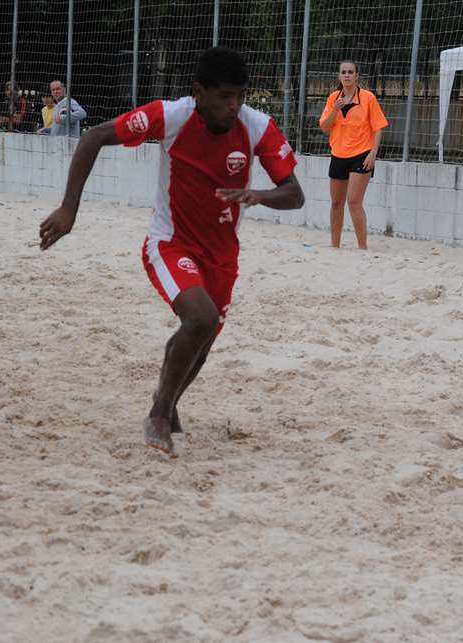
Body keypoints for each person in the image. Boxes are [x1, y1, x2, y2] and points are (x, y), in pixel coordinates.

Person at [38, 47, 305, 456]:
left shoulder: (257, 126)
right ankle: (159, 415)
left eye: (240, 96)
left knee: (202, 341)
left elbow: (295, 195)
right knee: (201, 319)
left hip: (223, 256)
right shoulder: (172, 116)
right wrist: (69, 208)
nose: (234, 106)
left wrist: (259, 194)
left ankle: (169, 400)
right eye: (224, 96)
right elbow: (94, 136)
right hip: (169, 243)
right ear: (198, 92)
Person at [319, 60, 388, 250]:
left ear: (357, 76)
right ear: (339, 76)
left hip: (361, 153)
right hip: (338, 154)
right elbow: (324, 127)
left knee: (354, 201)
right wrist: (335, 110)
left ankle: (362, 248)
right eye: (344, 72)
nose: (347, 75)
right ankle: (335, 246)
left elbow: (378, 127)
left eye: (350, 72)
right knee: (336, 203)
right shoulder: (333, 98)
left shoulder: (368, 98)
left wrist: (373, 152)